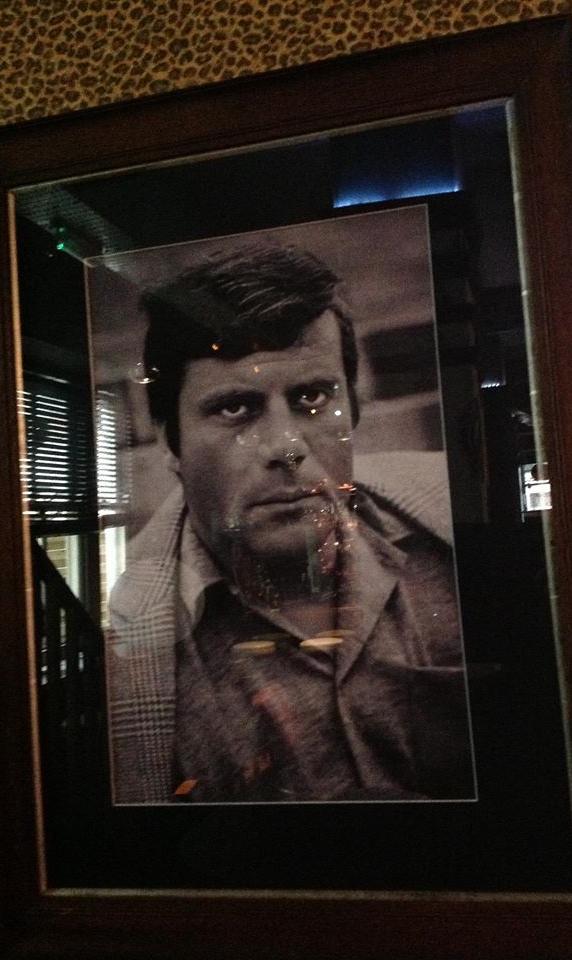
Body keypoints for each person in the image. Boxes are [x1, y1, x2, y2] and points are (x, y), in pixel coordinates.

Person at [107, 243, 474, 804]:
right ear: (169, 441)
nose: (286, 446)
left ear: (353, 410)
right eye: (235, 408)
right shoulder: (124, 653)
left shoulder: (452, 521)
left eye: (311, 397)